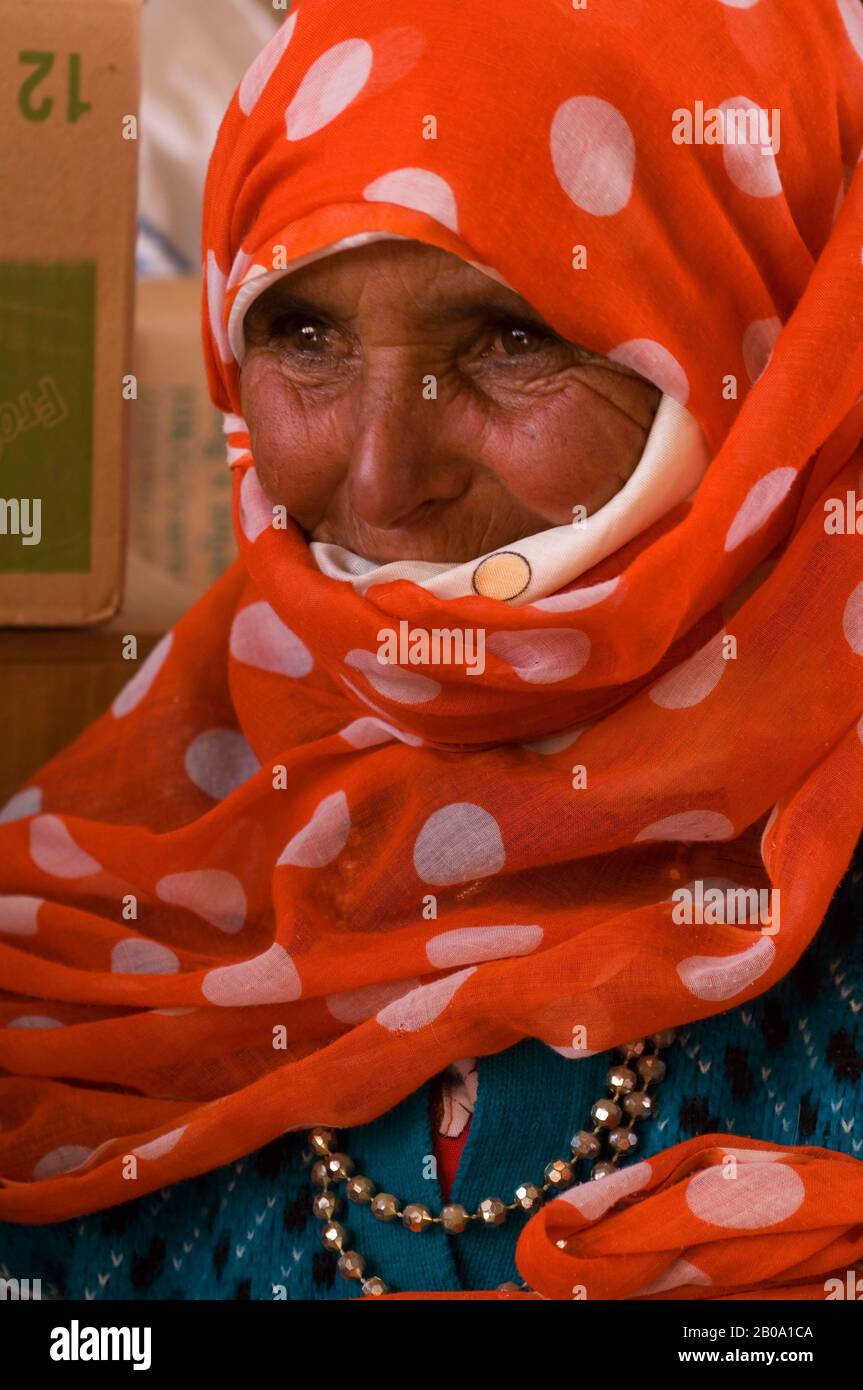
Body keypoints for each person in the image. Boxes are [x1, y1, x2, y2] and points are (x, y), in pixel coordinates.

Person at [1, 0, 863, 1301]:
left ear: (763, 338)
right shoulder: (132, 867)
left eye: (511, 340)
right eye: (306, 339)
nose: (381, 479)